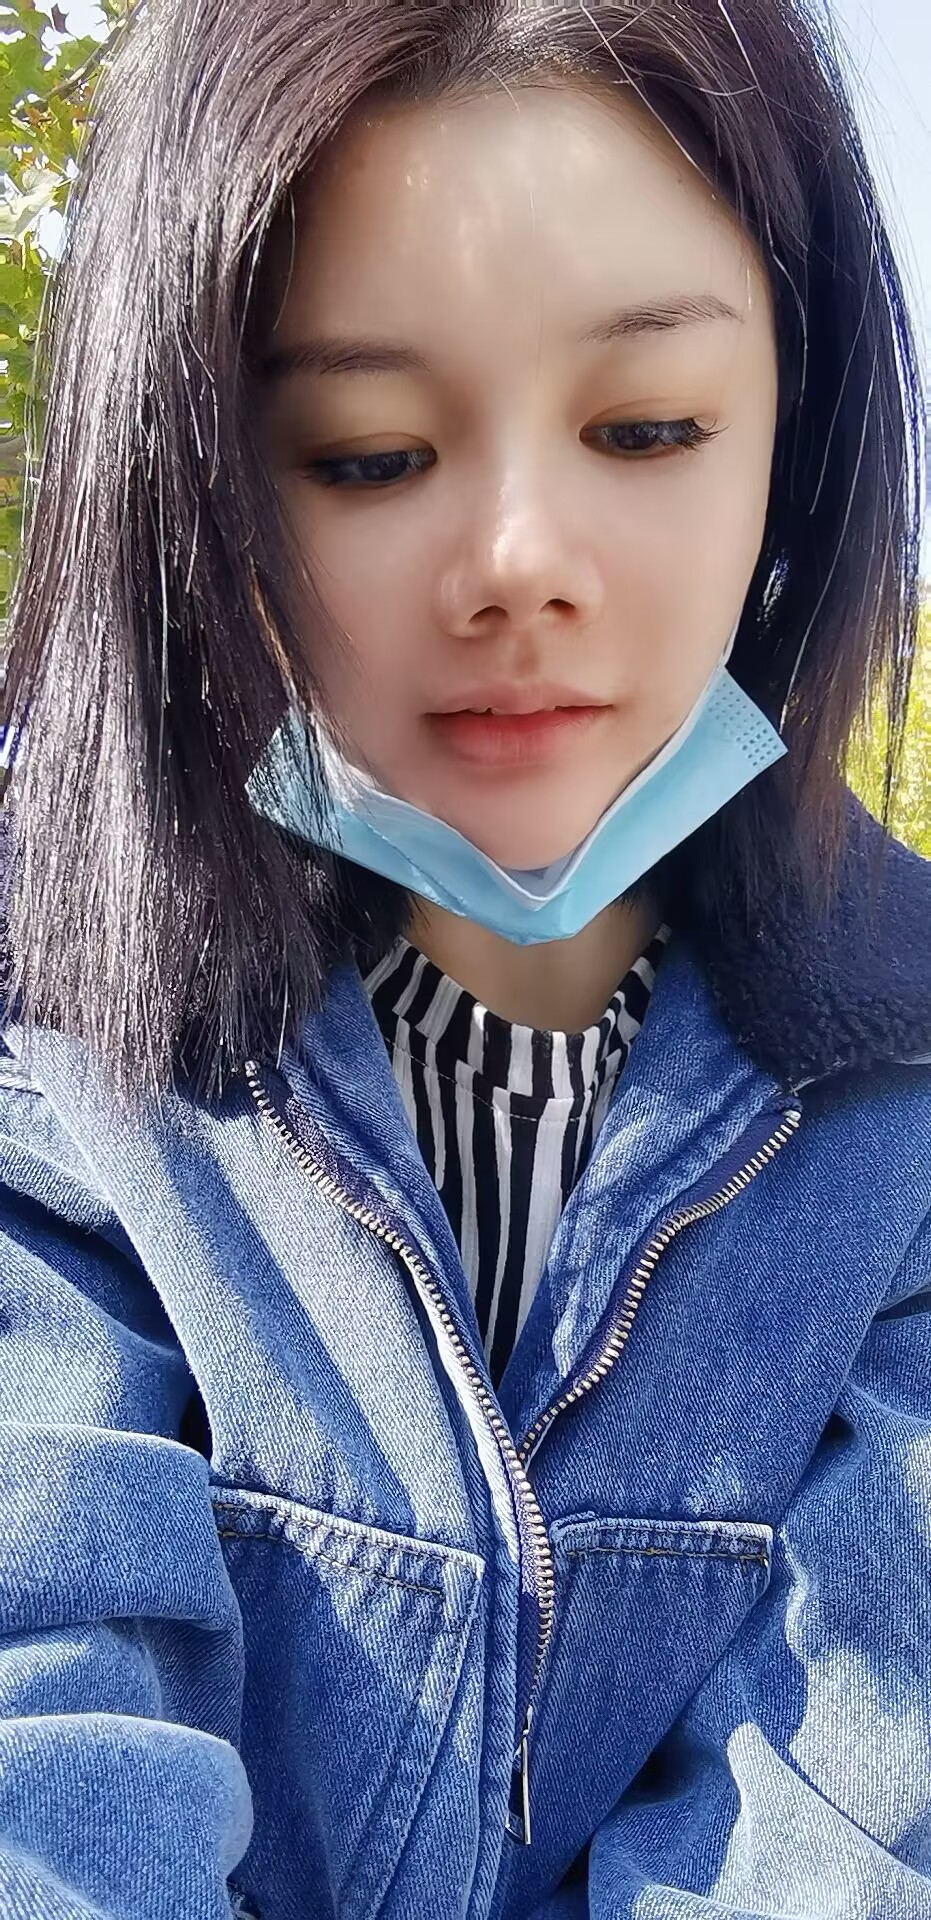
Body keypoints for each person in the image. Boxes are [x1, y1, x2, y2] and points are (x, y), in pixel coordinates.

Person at [0, 1, 928, 1916]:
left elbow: (859, 1814)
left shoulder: (906, 1100)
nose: (520, 560)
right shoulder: (50, 1041)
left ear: (800, 426)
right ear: (190, 482)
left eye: (648, 428)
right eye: (368, 453)